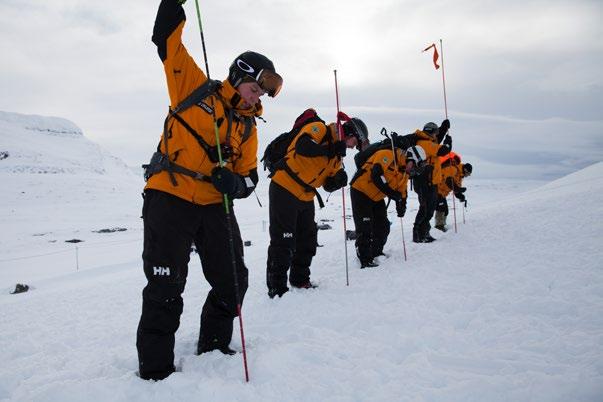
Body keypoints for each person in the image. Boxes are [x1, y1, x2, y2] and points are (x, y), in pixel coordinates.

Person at [137, 0, 283, 381]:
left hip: (213, 205)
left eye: (261, 95)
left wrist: (233, 183)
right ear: (238, 78)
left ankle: (214, 347)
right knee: (166, 284)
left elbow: (250, 179)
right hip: (168, 197)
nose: (257, 98)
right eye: (255, 89)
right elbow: (165, 37)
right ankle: (155, 373)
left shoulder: (249, 128)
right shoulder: (192, 86)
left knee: (234, 280)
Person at [266, 113, 369, 298]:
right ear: (351, 134)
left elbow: (327, 185)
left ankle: (300, 279)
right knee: (284, 239)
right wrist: (330, 148)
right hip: (284, 186)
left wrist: (338, 181)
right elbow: (303, 146)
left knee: (307, 239)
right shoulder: (320, 129)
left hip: (306, 195)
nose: (353, 147)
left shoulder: (338, 158)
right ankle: (276, 287)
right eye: (355, 143)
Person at [350, 142, 415, 268]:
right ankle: (364, 258)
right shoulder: (386, 154)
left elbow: (402, 192)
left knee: (383, 226)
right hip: (361, 191)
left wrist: (401, 205)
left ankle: (375, 252)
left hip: (377, 197)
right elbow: (376, 175)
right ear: (409, 159)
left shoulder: (404, 173)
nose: (412, 171)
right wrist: (391, 193)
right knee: (365, 227)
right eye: (413, 167)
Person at [412, 120, 452, 243]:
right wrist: (448, 144)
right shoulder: (424, 144)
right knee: (425, 209)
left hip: (430, 182)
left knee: (429, 209)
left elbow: (437, 140)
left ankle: (424, 233)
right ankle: (419, 235)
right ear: (431, 133)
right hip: (424, 182)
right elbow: (443, 150)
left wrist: (444, 128)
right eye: (435, 133)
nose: (436, 135)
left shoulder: (428, 141)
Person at [435, 155, 472, 231]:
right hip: (436, 189)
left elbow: (456, 190)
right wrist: (458, 189)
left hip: (442, 193)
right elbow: (448, 181)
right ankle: (438, 227)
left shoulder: (460, 176)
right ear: (465, 170)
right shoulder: (454, 169)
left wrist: (461, 196)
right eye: (468, 174)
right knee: (441, 208)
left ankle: (441, 226)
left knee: (445, 210)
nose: (467, 176)